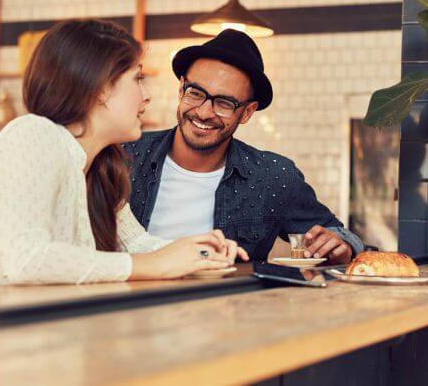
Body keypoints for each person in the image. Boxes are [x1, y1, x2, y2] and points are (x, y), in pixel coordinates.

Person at [0, 19, 246, 292]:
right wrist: (152, 265)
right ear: (100, 87)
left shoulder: (103, 166)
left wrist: (204, 252)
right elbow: (27, 260)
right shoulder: (33, 133)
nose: (146, 97)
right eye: (137, 79)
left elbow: (139, 245)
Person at [125, 29, 363, 264]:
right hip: (127, 301)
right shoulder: (123, 155)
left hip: (229, 302)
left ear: (247, 112)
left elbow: (336, 235)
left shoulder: (273, 176)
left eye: (224, 103)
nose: (204, 112)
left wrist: (339, 245)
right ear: (181, 89)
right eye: (196, 93)